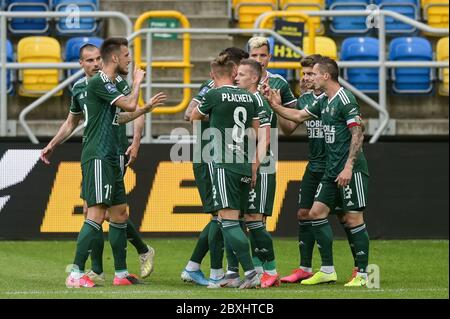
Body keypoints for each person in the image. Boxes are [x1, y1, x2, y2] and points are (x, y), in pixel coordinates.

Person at [40, 43, 162, 284]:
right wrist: (138, 82)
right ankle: (77, 273)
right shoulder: (93, 84)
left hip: (113, 154)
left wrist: (143, 112)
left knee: (118, 214)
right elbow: (74, 120)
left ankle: (120, 273)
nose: (95, 63)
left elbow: (123, 114)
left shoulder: (111, 83)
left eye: (97, 58)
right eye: (90, 60)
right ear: (82, 64)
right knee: (94, 213)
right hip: (98, 154)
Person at [265, 56, 370, 287]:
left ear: (325, 75)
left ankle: (362, 274)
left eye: (314, 73)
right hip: (330, 170)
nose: (308, 77)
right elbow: (299, 116)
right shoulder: (324, 100)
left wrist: (349, 166)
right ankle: (327, 270)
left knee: (353, 217)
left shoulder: (345, 98)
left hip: (348, 170)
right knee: (314, 213)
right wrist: (274, 105)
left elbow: (358, 133)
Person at [190, 55, 261, 289]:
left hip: (223, 162)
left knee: (226, 221)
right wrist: (253, 165)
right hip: (244, 162)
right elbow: (254, 132)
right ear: (233, 72)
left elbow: (193, 116)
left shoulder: (212, 94)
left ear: (212, 75)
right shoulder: (249, 97)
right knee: (236, 221)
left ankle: (250, 272)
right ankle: (232, 274)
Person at [235, 58, 279, 288]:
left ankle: (270, 269)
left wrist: (255, 165)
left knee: (254, 218)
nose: (236, 77)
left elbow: (265, 138)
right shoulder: (241, 100)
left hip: (261, 166)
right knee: (245, 219)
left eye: (241, 74)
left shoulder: (260, 103)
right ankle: (259, 271)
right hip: (243, 164)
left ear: (254, 78)